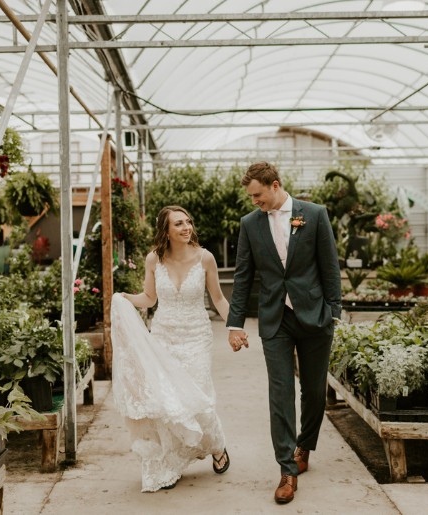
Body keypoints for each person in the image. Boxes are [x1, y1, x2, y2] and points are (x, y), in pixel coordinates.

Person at [226, 162, 341, 504]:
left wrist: (333, 312)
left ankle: (305, 445)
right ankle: (287, 470)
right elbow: (244, 275)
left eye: (258, 195)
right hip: (275, 318)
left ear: (275, 186)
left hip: (314, 315)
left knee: (314, 392)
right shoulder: (250, 224)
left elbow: (329, 265)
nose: (254, 202)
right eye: (250, 197)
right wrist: (235, 324)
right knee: (280, 393)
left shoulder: (315, 215)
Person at [111, 205, 231, 492]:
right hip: (164, 337)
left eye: (188, 222)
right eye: (178, 224)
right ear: (166, 231)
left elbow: (219, 299)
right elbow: (150, 299)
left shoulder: (206, 258)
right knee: (168, 400)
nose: (186, 227)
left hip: (196, 336)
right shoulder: (154, 259)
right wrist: (125, 297)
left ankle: (217, 445)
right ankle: (172, 461)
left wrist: (235, 327)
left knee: (197, 396)